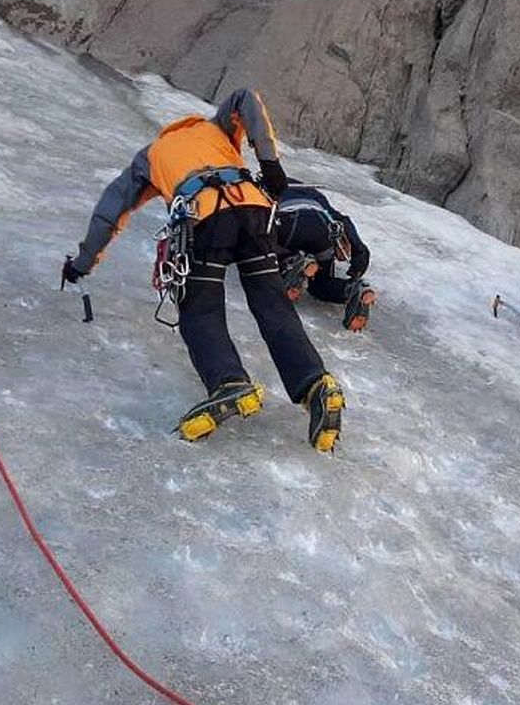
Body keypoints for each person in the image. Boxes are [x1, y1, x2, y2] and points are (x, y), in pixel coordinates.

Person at [62, 89, 344, 451]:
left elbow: (109, 213)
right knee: (273, 305)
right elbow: (245, 97)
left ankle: (229, 383)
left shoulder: (150, 156)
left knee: (200, 309)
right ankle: (316, 384)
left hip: (204, 218)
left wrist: (81, 264)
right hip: (256, 213)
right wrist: (271, 164)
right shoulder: (216, 130)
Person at [274, 184, 376, 331]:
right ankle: (352, 290)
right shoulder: (314, 193)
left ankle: (290, 261)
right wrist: (360, 251)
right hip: (323, 230)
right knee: (321, 286)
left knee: (263, 250)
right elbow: (343, 220)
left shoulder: (270, 185)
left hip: (289, 222)